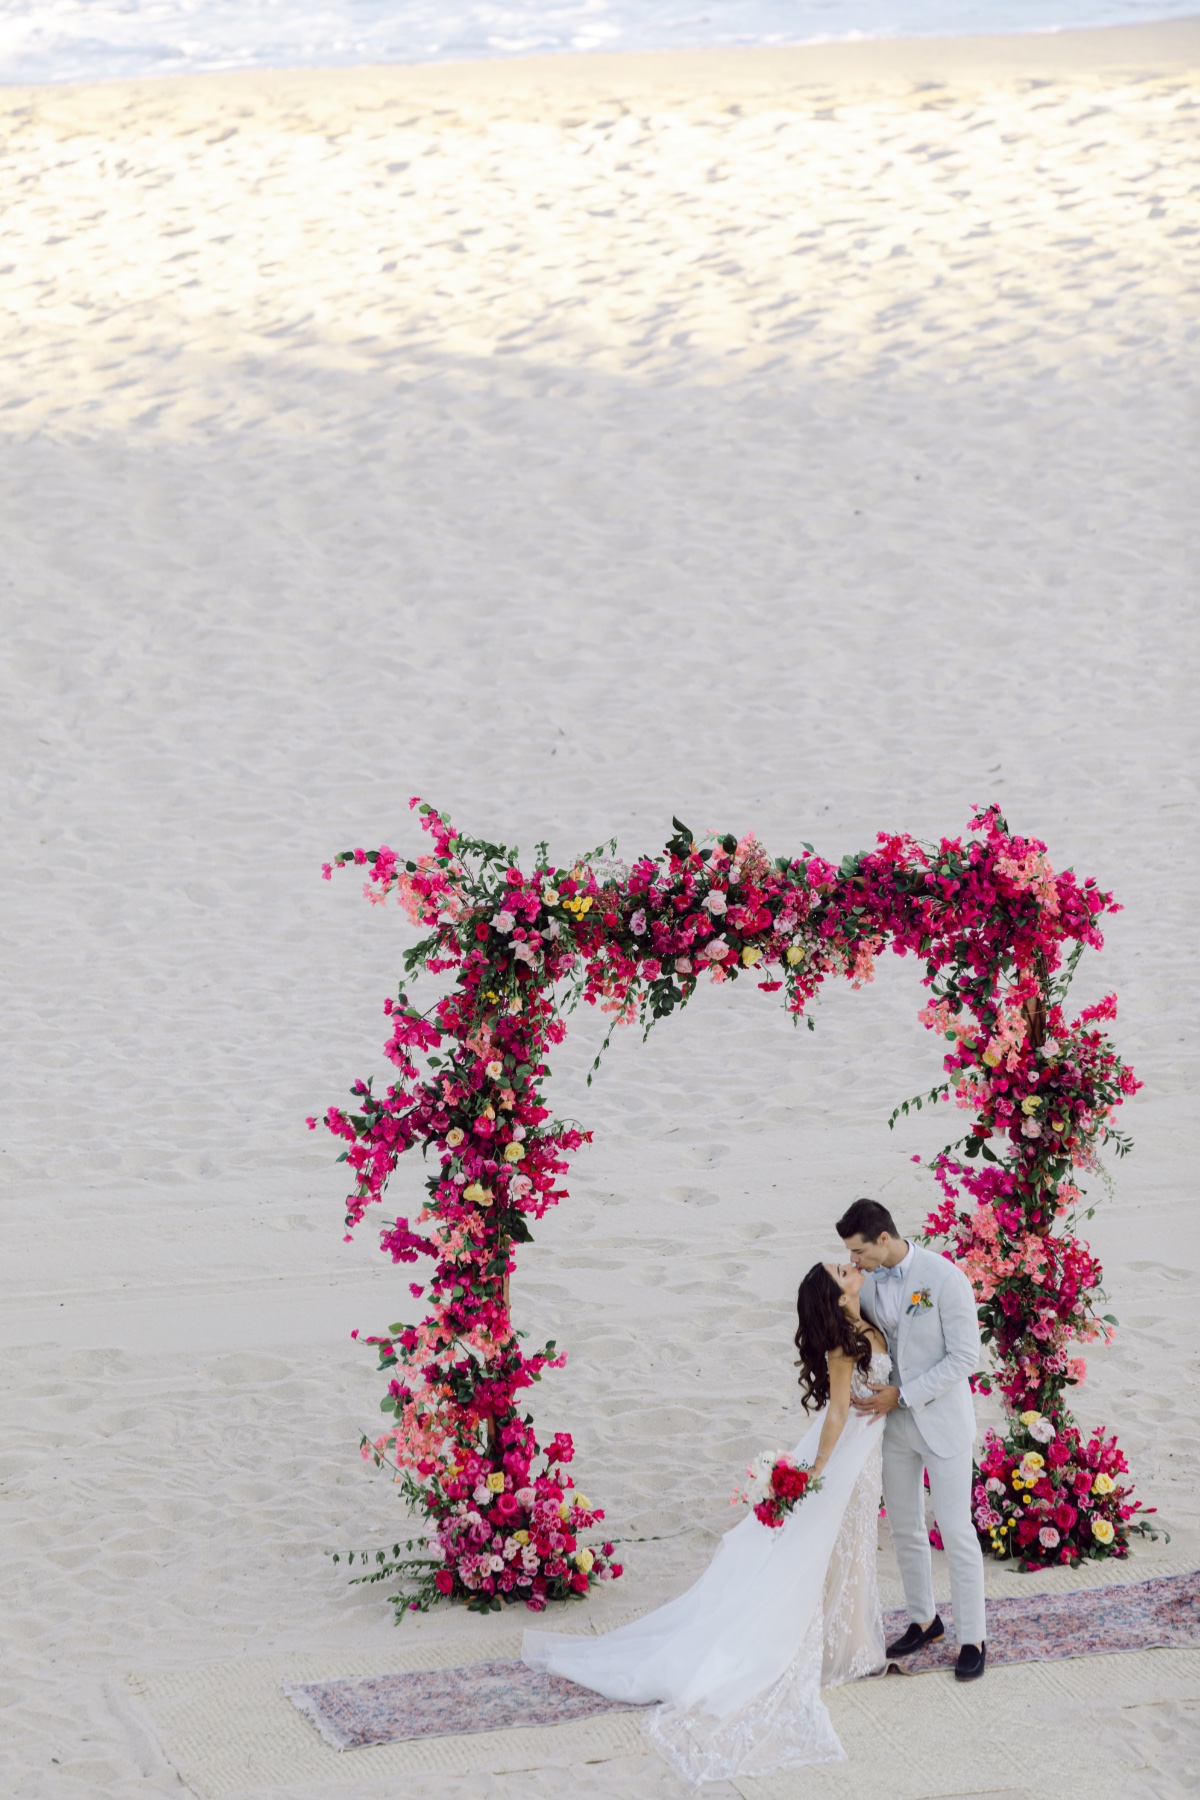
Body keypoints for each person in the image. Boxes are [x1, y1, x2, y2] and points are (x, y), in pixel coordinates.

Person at [522, 1261, 888, 1785]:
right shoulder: (843, 1346)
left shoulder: (865, 1318)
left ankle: (849, 1645)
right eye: (840, 1269)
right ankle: (837, 1649)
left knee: (847, 1544)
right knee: (821, 1547)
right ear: (834, 1295)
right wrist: (816, 1474)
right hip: (842, 1453)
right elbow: (835, 1414)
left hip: (863, 1450)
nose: (849, 1266)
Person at [837, 1196, 987, 1681]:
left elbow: (966, 1358)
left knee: (957, 1531)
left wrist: (903, 1395)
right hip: (894, 1428)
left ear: (884, 1238)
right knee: (904, 1528)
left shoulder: (945, 1278)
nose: (852, 1261)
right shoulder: (868, 1280)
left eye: (858, 1251)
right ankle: (925, 1619)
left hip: (940, 1422)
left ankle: (973, 1636)